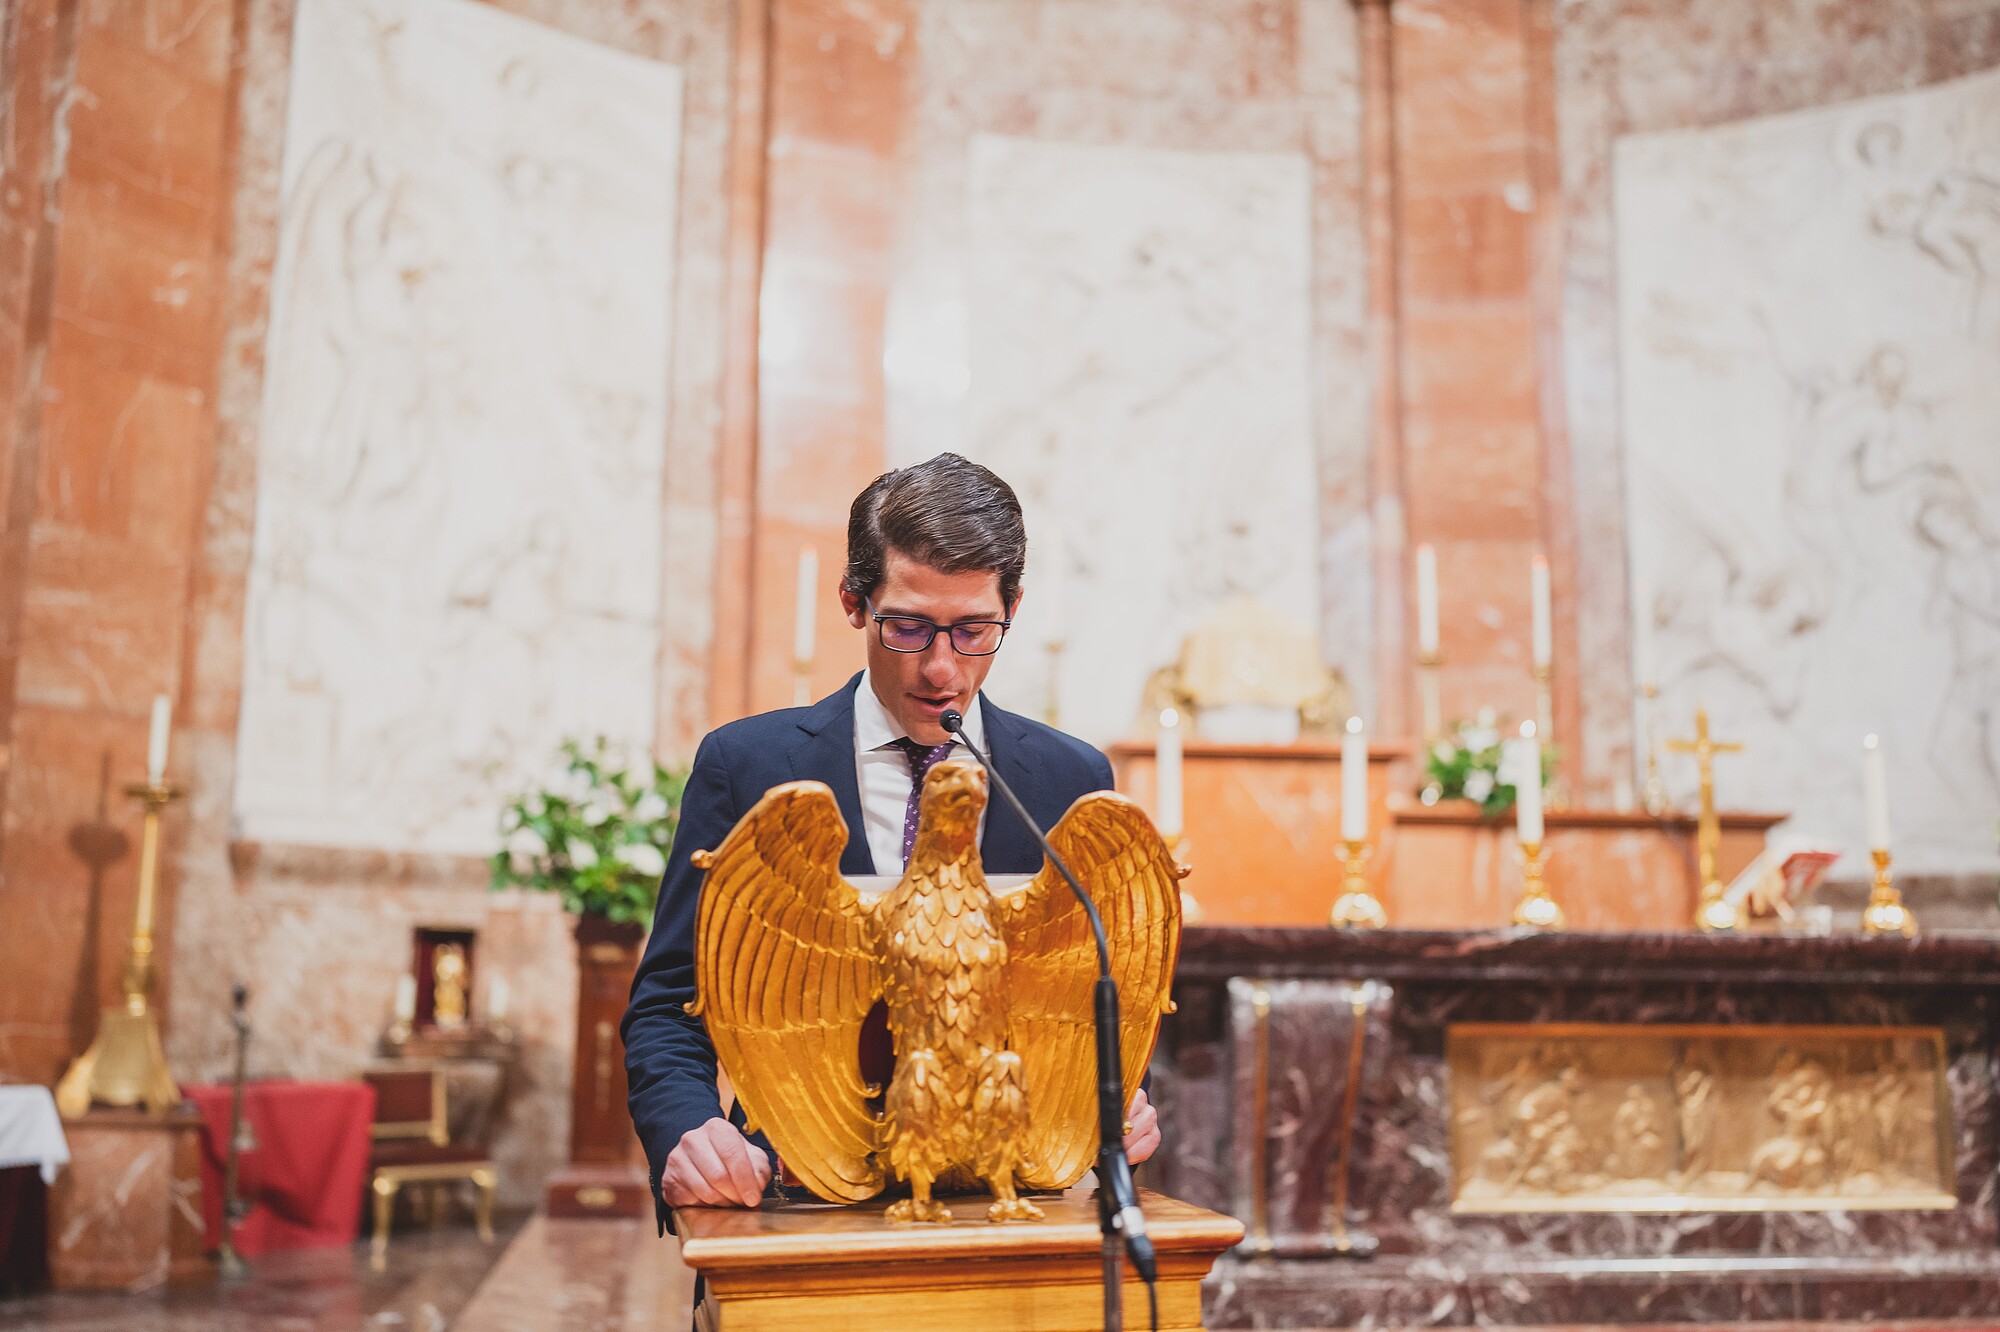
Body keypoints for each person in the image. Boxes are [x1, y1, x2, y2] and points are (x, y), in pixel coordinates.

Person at [623, 453, 1162, 1227]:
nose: (942, 669)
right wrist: (688, 1130)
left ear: (1012, 607)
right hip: (795, 1199)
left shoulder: (1068, 779)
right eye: (908, 627)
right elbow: (670, 1003)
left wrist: (1122, 1101)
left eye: (975, 631)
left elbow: (1102, 997)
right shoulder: (746, 766)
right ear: (854, 602)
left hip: (1005, 1210)